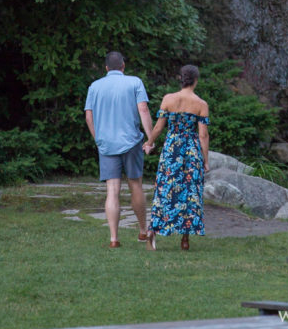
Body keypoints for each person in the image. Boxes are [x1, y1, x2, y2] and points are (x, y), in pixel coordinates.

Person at [84, 51, 154, 248]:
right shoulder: (135, 82)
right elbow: (143, 110)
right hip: (131, 142)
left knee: (112, 190)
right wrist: (150, 138)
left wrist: (98, 139)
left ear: (106, 68)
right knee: (136, 185)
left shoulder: (94, 86)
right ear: (123, 66)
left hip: (106, 144)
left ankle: (114, 239)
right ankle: (142, 231)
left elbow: (89, 117)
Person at [144, 64, 209, 251]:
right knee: (189, 192)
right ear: (195, 80)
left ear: (181, 79)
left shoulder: (168, 99)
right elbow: (203, 135)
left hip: (171, 148)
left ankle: (153, 232)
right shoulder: (201, 104)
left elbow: (158, 127)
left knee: (165, 188)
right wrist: (205, 160)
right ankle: (185, 240)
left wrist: (149, 142)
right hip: (190, 150)